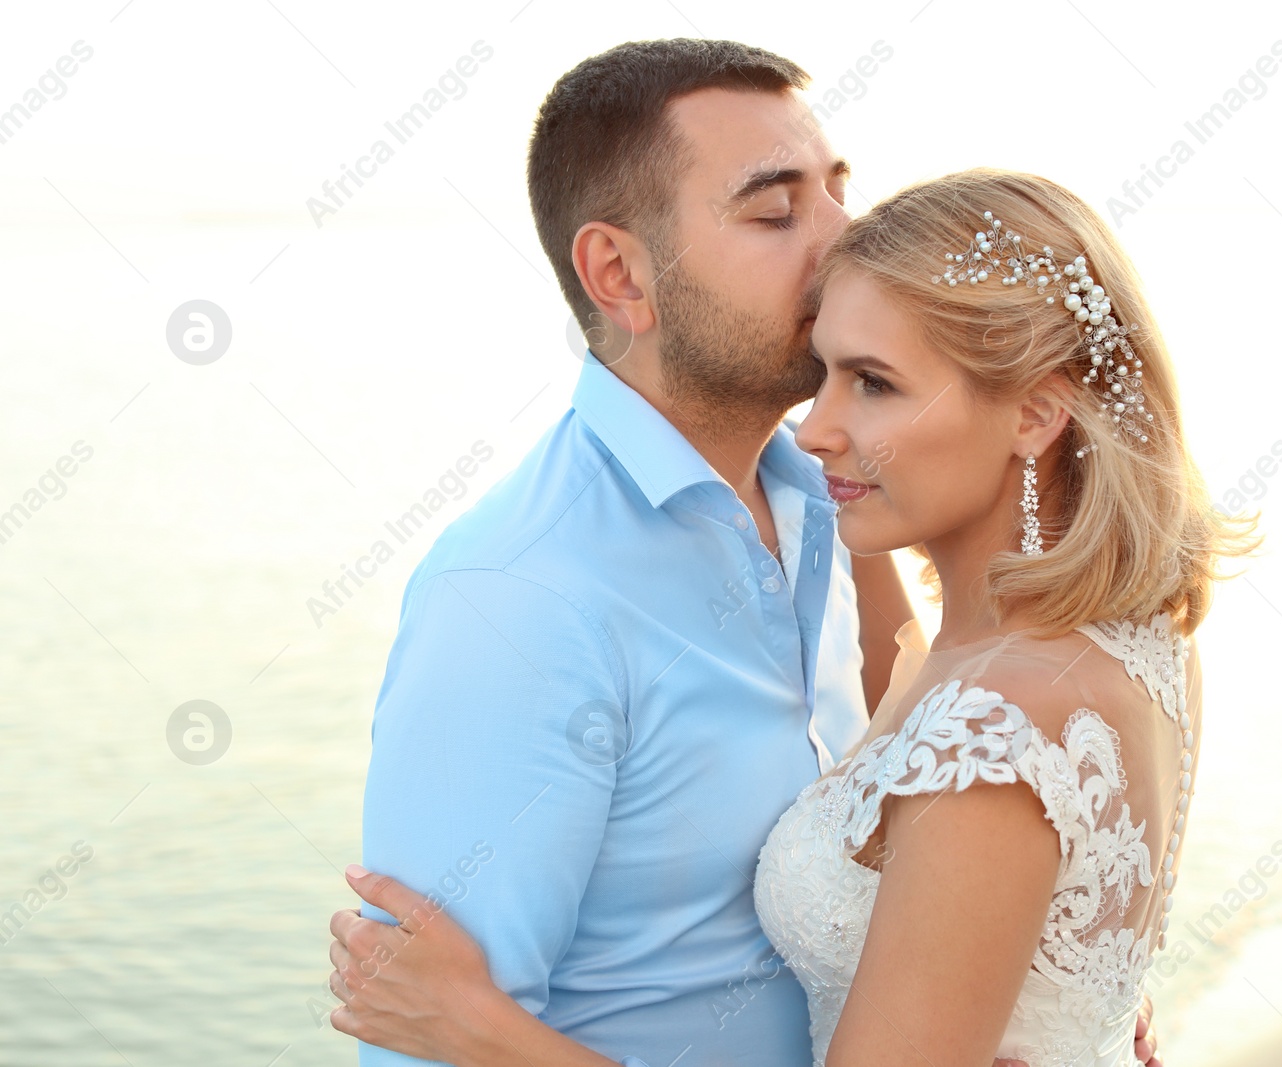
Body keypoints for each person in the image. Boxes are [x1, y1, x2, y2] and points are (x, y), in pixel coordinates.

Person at [329, 40, 1200, 1067]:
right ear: (620, 274)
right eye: (776, 210)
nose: (838, 240)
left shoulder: (837, 509)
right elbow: (423, 1038)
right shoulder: (518, 599)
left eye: (838, 191)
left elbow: (951, 766)